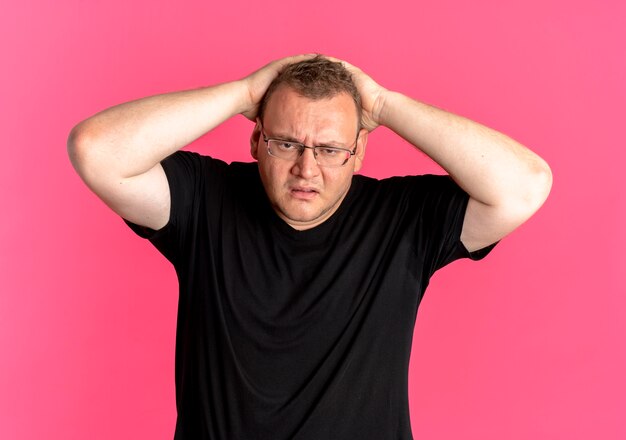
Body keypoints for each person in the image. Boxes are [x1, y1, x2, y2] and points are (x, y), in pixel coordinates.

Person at [67, 54, 552, 439]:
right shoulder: (205, 200)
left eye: (330, 149)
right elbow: (96, 150)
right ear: (256, 140)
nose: (307, 168)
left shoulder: (403, 217)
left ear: (358, 151)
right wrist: (244, 92)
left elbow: (525, 185)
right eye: (286, 143)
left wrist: (382, 104)